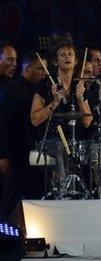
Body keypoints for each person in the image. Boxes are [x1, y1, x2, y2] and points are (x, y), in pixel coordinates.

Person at [30, 42, 93, 181]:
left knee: (92, 148)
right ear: (55, 61)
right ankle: (64, 191)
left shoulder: (79, 86)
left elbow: (87, 122)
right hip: (48, 142)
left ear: (76, 61)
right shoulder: (44, 84)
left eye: (70, 54)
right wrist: (55, 102)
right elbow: (34, 120)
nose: (67, 57)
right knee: (60, 147)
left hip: (73, 141)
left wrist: (80, 97)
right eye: (62, 55)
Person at [0, 52, 48, 220]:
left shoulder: (35, 90)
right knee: (10, 199)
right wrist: (2, 155)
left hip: (28, 153)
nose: (44, 73)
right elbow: (2, 122)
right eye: (40, 68)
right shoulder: (13, 90)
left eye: (46, 69)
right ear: (27, 69)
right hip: (14, 154)